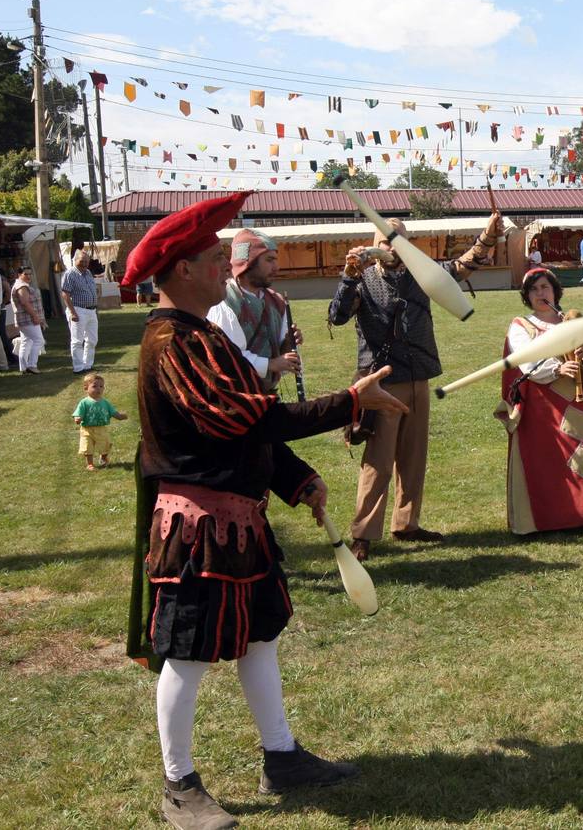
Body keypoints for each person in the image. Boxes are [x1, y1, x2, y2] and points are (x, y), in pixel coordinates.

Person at [119, 191, 409, 829]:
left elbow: (248, 432)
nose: (224, 261)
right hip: (198, 527)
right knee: (188, 655)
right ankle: (179, 786)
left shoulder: (202, 336)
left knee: (259, 638)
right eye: (211, 254)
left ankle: (282, 759)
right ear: (181, 271)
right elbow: (247, 417)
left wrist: (295, 478)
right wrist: (349, 402)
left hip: (236, 520)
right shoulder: (173, 342)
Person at [329, 218, 445, 561]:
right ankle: (363, 533)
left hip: (418, 375)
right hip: (381, 381)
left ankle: (406, 524)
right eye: (385, 240)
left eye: (399, 240)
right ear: (373, 243)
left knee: (414, 456)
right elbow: (337, 316)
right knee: (378, 461)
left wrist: (489, 236)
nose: (392, 247)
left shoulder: (421, 275)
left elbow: (461, 269)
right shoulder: (361, 278)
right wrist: (349, 277)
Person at [495, 267, 583, 541]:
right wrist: (558, 369)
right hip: (541, 406)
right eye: (534, 289)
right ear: (527, 295)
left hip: (576, 402)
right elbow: (526, 359)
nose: (541, 293)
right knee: (544, 462)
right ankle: (544, 521)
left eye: (545, 288)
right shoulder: (521, 325)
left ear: (555, 291)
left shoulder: (570, 320)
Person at [206, 229, 301, 392]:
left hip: (266, 395)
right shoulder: (225, 300)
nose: (276, 267)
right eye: (269, 260)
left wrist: (288, 344)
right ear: (248, 262)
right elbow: (227, 357)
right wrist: (270, 364)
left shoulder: (276, 301)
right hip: (234, 399)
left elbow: (283, 362)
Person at [72, 373, 128, 470]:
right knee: (87, 447)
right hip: (87, 429)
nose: (98, 389)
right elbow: (79, 413)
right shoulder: (84, 402)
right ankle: (90, 464)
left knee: (105, 444)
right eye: (95, 386)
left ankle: (103, 457)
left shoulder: (105, 402)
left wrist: (120, 416)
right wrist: (78, 418)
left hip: (101, 429)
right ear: (86, 388)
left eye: (101, 386)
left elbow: (113, 412)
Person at [61, 247, 100, 373]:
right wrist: (72, 312)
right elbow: (65, 294)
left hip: (91, 310)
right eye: (81, 261)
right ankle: (78, 367)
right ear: (75, 260)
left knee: (92, 339)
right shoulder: (69, 274)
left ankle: (88, 364)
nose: (84, 263)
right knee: (77, 340)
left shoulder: (88, 273)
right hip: (78, 310)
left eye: (86, 261)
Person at [10, 264, 47, 374]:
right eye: (26, 274)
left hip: (24, 319)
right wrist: (35, 316)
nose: (29, 276)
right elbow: (25, 303)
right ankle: (32, 365)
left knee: (26, 342)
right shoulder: (22, 286)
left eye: (30, 274)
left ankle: (23, 367)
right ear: (19, 274)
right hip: (28, 318)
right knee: (39, 340)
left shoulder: (21, 284)